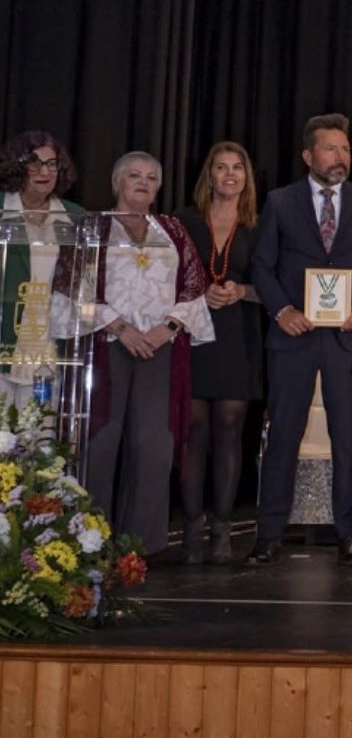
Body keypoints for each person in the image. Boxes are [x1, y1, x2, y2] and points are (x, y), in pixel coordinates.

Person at [249, 113, 352, 567]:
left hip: (345, 337)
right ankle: (268, 534)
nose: (341, 157)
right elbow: (262, 267)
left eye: (345, 149)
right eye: (331, 149)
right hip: (294, 336)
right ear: (309, 155)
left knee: (347, 435)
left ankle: (350, 535)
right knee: (283, 434)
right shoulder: (280, 202)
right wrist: (282, 311)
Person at [77, 153, 215, 555]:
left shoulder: (171, 229)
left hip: (159, 347)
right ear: (116, 182)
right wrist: (120, 327)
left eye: (152, 178)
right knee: (101, 442)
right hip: (107, 346)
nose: (143, 183)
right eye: (134, 176)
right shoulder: (93, 227)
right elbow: (73, 287)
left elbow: (193, 285)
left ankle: (139, 547)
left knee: (154, 444)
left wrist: (167, 327)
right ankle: (90, 540)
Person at [176, 142, 265, 563]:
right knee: (194, 431)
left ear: (247, 178)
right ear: (208, 175)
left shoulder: (260, 226)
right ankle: (191, 531)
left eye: (238, 168)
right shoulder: (184, 222)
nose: (230, 175)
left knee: (229, 428)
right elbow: (165, 279)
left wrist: (242, 291)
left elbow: (277, 286)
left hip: (238, 334)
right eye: (221, 167)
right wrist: (199, 294)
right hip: (193, 332)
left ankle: (223, 531)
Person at [1, 131, 84, 407]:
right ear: (17, 166)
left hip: (47, 340)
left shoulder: (74, 216)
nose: (44, 171)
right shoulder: (2, 208)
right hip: (5, 333)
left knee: (38, 432)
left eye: (51, 164)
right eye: (34, 163)